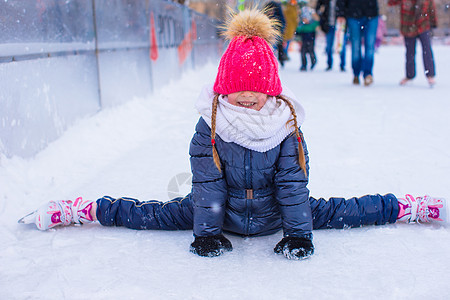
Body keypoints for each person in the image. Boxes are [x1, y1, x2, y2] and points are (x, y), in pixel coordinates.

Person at [19, 9, 448, 260]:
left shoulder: (286, 127)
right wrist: (206, 233)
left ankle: (406, 207)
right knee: (148, 214)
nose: (245, 101)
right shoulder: (210, 126)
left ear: (271, 94)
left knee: (344, 210)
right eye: (237, 94)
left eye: (255, 95)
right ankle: (86, 210)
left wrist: (298, 233)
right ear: (223, 91)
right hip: (218, 213)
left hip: (276, 213)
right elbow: (207, 186)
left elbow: (292, 186)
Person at [388, 0, 437, 87]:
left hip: (423, 24)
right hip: (408, 25)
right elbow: (391, 2)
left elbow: (431, 7)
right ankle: (409, 75)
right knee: (410, 52)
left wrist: (433, 22)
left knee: (427, 50)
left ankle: (430, 75)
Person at [336, 0, 379, 86]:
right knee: (356, 47)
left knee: (370, 46)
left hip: (371, 14)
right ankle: (356, 73)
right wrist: (340, 13)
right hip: (353, 14)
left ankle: (368, 73)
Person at [316, 0, 347, 71]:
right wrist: (321, 14)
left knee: (341, 45)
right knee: (329, 45)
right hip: (329, 25)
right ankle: (329, 63)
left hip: (340, 26)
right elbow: (318, 8)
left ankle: (342, 64)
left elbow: (347, 9)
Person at [264, 1, 287, 67]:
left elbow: (282, 20)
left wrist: (281, 30)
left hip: (277, 31)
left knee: (279, 47)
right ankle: (270, 60)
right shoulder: (268, 8)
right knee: (270, 47)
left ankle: (281, 59)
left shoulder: (277, 8)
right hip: (269, 31)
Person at [296, 5, 320, 71]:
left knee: (311, 51)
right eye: (304, 18)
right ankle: (304, 65)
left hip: (311, 40)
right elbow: (298, 30)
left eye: (306, 18)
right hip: (304, 40)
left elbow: (317, 23)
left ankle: (313, 62)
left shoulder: (312, 24)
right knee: (303, 53)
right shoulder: (302, 25)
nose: (305, 20)